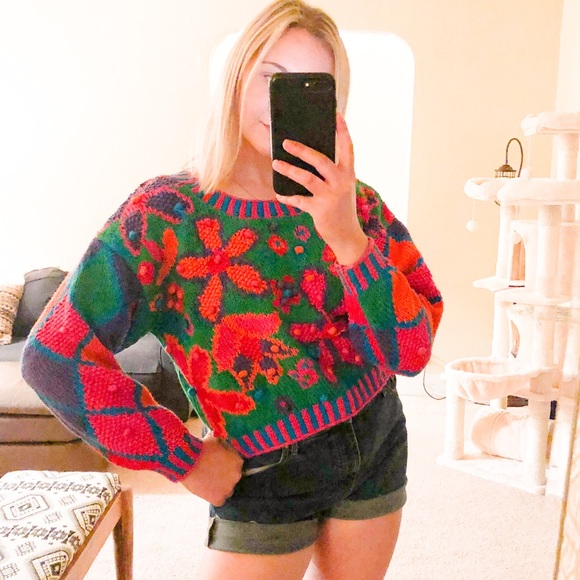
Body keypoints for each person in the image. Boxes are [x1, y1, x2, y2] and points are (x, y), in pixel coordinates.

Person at [22, 1, 443, 578]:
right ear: (236, 78)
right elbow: (52, 357)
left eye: (311, 85)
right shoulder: (166, 215)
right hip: (264, 473)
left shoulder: (356, 202)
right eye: (271, 76)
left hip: (378, 436)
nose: (282, 100)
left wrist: (347, 236)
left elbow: (412, 354)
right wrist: (184, 458)